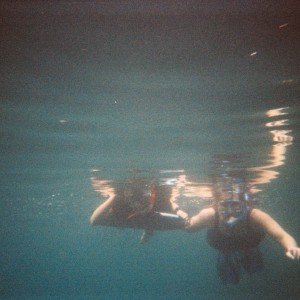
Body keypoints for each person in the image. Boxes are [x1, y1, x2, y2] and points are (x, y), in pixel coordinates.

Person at [172, 172, 300, 284]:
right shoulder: (209, 214)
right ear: (218, 204)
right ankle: (229, 255)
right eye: (225, 205)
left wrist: (291, 247)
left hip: (248, 242)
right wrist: (178, 211)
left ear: (244, 204)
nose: (230, 211)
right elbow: (190, 227)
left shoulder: (255, 216)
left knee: (253, 268)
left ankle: (239, 254)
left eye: (235, 205)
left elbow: (281, 236)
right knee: (232, 273)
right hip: (222, 244)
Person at [90, 177, 184, 243]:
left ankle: (148, 229)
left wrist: (179, 211)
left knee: (150, 215)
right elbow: (93, 220)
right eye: (133, 202)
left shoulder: (158, 197)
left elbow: (168, 202)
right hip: (130, 208)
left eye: (144, 202)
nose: (139, 206)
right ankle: (148, 229)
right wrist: (113, 197)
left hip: (151, 211)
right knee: (148, 215)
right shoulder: (121, 202)